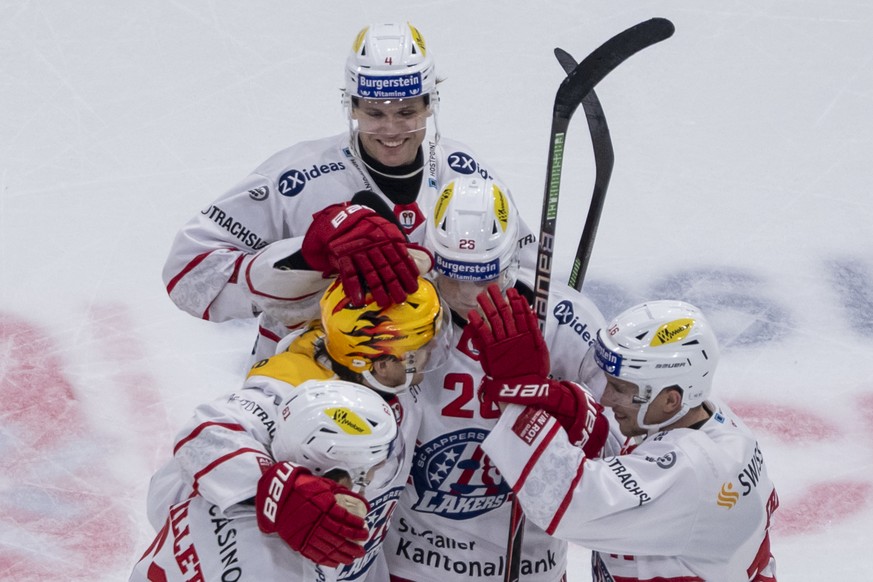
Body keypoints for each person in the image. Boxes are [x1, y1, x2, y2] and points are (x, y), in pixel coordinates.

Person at [161, 21, 536, 362]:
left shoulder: (466, 174)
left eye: (407, 113)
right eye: (374, 113)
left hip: (427, 389)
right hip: (309, 382)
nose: (391, 130)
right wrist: (306, 258)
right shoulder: (296, 177)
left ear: (430, 105)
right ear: (351, 106)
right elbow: (187, 275)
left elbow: (526, 269)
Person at [138, 276, 452, 581]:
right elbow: (205, 436)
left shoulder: (373, 369)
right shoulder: (293, 387)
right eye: (423, 347)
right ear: (383, 364)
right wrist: (281, 493)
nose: (431, 354)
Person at [382, 176, 616, 582]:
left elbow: (620, 453)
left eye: (485, 275)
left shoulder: (563, 322)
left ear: (510, 261)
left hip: (529, 566)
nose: (470, 293)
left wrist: (548, 395)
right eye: (454, 276)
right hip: (413, 563)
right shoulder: (400, 316)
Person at [469, 292, 780, 582]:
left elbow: (570, 502)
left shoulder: (693, 471)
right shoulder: (693, 418)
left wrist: (519, 397)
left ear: (670, 399)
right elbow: (627, 465)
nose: (605, 398)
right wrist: (565, 405)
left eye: (620, 388)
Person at [130, 378, 398, 582]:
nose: (372, 483)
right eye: (370, 470)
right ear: (339, 474)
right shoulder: (286, 567)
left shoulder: (217, 484)